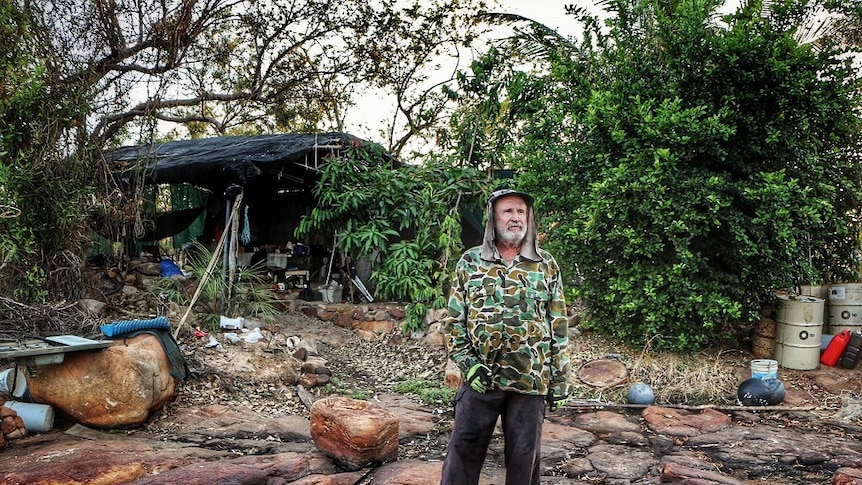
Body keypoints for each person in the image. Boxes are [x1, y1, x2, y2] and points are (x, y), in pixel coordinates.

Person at [441, 189, 571, 485]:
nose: (516, 218)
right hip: (481, 377)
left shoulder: (546, 265)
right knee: (463, 453)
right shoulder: (470, 262)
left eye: (521, 212)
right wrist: (467, 364)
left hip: (530, 382)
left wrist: (560, 379)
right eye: (508, 211)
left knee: (524, 461)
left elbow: (558, 326)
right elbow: (454, 322)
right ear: (493, 219)